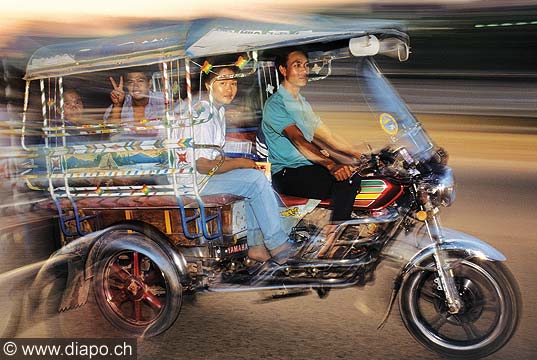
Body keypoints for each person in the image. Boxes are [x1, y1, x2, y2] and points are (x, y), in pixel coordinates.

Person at [190, 64, 296, 264]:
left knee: (257, 175)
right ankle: (277, 243)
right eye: (223, 83)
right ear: (208, 84)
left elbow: (215, 155)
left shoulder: (217, 111)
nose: (229, 89)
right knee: (255, 180)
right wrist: (239, 162)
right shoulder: (204, 113)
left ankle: (256, 246)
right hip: (195, 181)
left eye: (233, 83)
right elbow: (202, 164)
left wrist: (243, 163)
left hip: (205, 176)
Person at [262, 49, 363, 223]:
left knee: (362, 176)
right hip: (287, 174)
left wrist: (361, 154)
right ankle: (334, 242)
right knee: (348, 181)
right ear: (283, 70)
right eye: (297, 65)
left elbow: (329, 136)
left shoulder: (302, 103)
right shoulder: (275, 105)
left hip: (308, 168)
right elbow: (298, 140)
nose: (304, 70)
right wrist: (331, 165)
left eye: (306, 65)